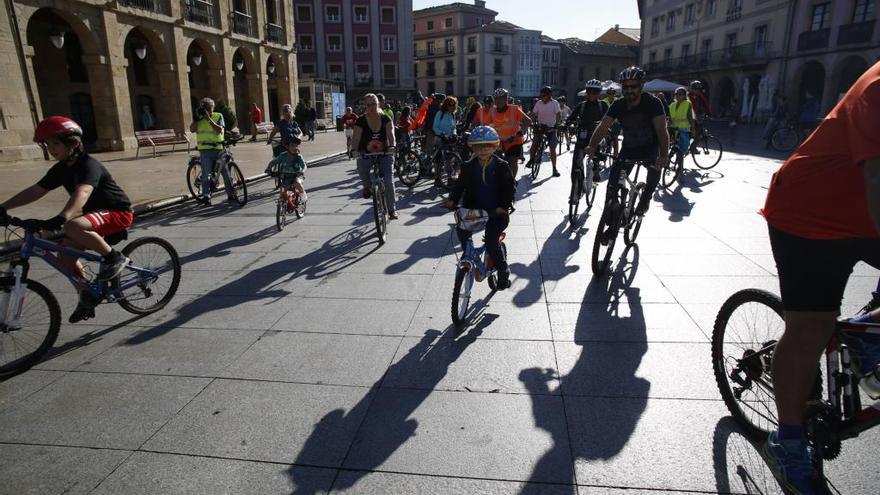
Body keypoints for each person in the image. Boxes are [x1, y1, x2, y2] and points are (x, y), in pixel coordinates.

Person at [760, 60, 880, 495]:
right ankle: (788, 443)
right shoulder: (879, 88)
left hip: (864, 217)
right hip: (810, 214)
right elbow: (877, 181)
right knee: (809, 328)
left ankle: (867, 336)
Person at [0, 116, 133, 323]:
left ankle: (114, 258)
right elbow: (36, 191)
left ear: (73, 143)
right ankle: (86, 295)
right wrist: (3, 207)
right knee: (65, 260)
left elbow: (83, 192)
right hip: (92, 217)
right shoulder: (61, 168)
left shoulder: (89, 165)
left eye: (56, 143)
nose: (51, 148)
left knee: (72, 225)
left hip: (117, 212)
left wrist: (63, 217)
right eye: (47, 144)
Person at [586, 66, 669, 219]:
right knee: (612, 187)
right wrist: (592, 146)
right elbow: (603, 126)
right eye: (626, 86)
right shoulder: (618, 104)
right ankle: (609, 222)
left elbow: (662, 131)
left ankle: (646, 198)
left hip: (650, 148)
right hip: (629, 148)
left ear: (641, 85)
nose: (629, 90)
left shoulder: (653, 103)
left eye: (634, 86)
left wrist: (663, 155)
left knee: (655, 170)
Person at [443, 126, 515, 290]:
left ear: (495, 146)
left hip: (496, 212)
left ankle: (503, 270)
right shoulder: (468, 166)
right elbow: (459, 186)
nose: (483, 150)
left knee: (491, 241)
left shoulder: (501, 166)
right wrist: (452, 200)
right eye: (478, 146)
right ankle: (469, 255)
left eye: (487, 146)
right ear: (472, 147)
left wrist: (503, 206)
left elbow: (509, 189)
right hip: (474, 210)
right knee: (462, 230)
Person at [351, 93, 398, 219]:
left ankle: (392, 209)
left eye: (374, 104)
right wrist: (354, 150)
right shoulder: (361, 120)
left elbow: (391, 134)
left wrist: (392, 146)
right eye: (368, 104)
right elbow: (356, 138)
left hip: (385, 152)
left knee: (388, 180)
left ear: (378, 104)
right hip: (365, 153)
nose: (371, 107)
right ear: (365, 106)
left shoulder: (386, 119)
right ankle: (366, 186)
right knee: (362, 168)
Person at [189, 97, 235, 205]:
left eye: (209, 108)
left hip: (219, 149)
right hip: (205, 149)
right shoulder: (199, 118)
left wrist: (209, 119)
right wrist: (197, 119)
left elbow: (219, 130)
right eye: (206, 108)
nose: (208, 110)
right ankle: (206, 196)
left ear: (213, 108)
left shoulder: (218, 116)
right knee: (206, 173)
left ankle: (231, 194)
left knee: (225, 172)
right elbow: (192, 129)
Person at [567, 79, 609, 186]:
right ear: (586, 91)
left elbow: (609, 119)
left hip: (596, 136)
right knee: (576, 163)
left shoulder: (603, 105)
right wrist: (568, 124)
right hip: (582, 137)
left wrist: (608, 128)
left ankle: (596, 170)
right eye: (589, 91)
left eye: (594, 92)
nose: (591, 94)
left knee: (598, 153)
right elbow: (570, 118)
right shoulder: (581, 105)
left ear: (599, 93)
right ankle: (575, 188)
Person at [486, 88, 531, 179]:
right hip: (499, 142)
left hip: (514, 141)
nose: (498, 101)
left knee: (513, 161)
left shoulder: (514, 109)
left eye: (501, 98)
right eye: (496, 99)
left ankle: (512, 181)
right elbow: (486, 125)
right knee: (495, 162)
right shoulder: (492, 111)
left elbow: (527, 121)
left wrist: (521, 131)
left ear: (506, 99)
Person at [528, 86, 562, 178]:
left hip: (551, 128)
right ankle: (531, 160)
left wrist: (557, 124)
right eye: (541, 96)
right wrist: (529, 122)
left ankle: (554, 169)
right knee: (534, 144)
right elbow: (533, 114)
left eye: (544, 96)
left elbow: (558, 115)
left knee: (552, 149)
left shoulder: (554, 103)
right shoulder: (539, 103)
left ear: (549, 95)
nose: (542, 97)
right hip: (541, 127)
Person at [265, 135, 307, 203]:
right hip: (286, 176)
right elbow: (273, 162)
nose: (295, 148)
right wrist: (268, 168)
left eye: (297, 146)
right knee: (282, 189)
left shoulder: (299, 157)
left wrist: (302, 171)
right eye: (293, 146)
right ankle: (283, 203)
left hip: (297, 175)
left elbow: (304, 166)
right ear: (287, 147)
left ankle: (303, 194)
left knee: (297, 183)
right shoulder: (283, 155)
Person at [668, 87, 695, 167]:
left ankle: (680, 168)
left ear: (684, 95)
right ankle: (670, 162)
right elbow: (670, 118)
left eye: (680, 94)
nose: (677, 96)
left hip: (683, 129)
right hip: (673, 129)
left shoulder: (687, 104)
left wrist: (693, 129)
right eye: (676, 94)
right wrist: (667, 127)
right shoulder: (672, 105)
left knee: (682, 150)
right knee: (669, 146)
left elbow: (690, 117)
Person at [603, 88, 621, 157]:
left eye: (612, 93)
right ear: (607, 94)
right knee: (605, 135)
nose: (611, 95)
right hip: (607, 122)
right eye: (609, 93)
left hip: (616, 122)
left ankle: (616, 154)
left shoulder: (618, 101)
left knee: (615, 138)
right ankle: (606, 146)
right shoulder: (604, 101)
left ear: (614, 94)